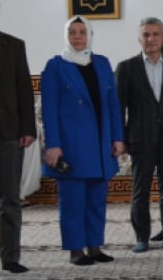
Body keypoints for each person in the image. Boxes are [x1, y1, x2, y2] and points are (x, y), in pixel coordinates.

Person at [41, 17, 125, 266]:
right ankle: (76, 248)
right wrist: (53, 144)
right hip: (71, 142)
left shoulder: (101, 63)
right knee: (73, 199)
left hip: (100, 142)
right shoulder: (56, 66)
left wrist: (117, 137)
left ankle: (94, 245)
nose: (77, 37)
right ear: (65, 35)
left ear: (90, 35)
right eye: (72, 32)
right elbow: (49, 110)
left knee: (97, 197)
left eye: (82, 32)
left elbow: (113, 104)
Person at [117, 17, 163, 252]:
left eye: (155, 34)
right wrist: (119, 138)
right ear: (139, 39)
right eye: (146, 35)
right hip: (140, 138)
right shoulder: (127, 68)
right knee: (140, 190)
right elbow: (119, 107)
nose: (151, 39)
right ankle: (141, 238)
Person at [0, 0, 36, 273]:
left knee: (9, 196)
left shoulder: (13, 45)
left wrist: (28, 129)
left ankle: (10, 257)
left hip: (5, 126)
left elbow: (24, 89)